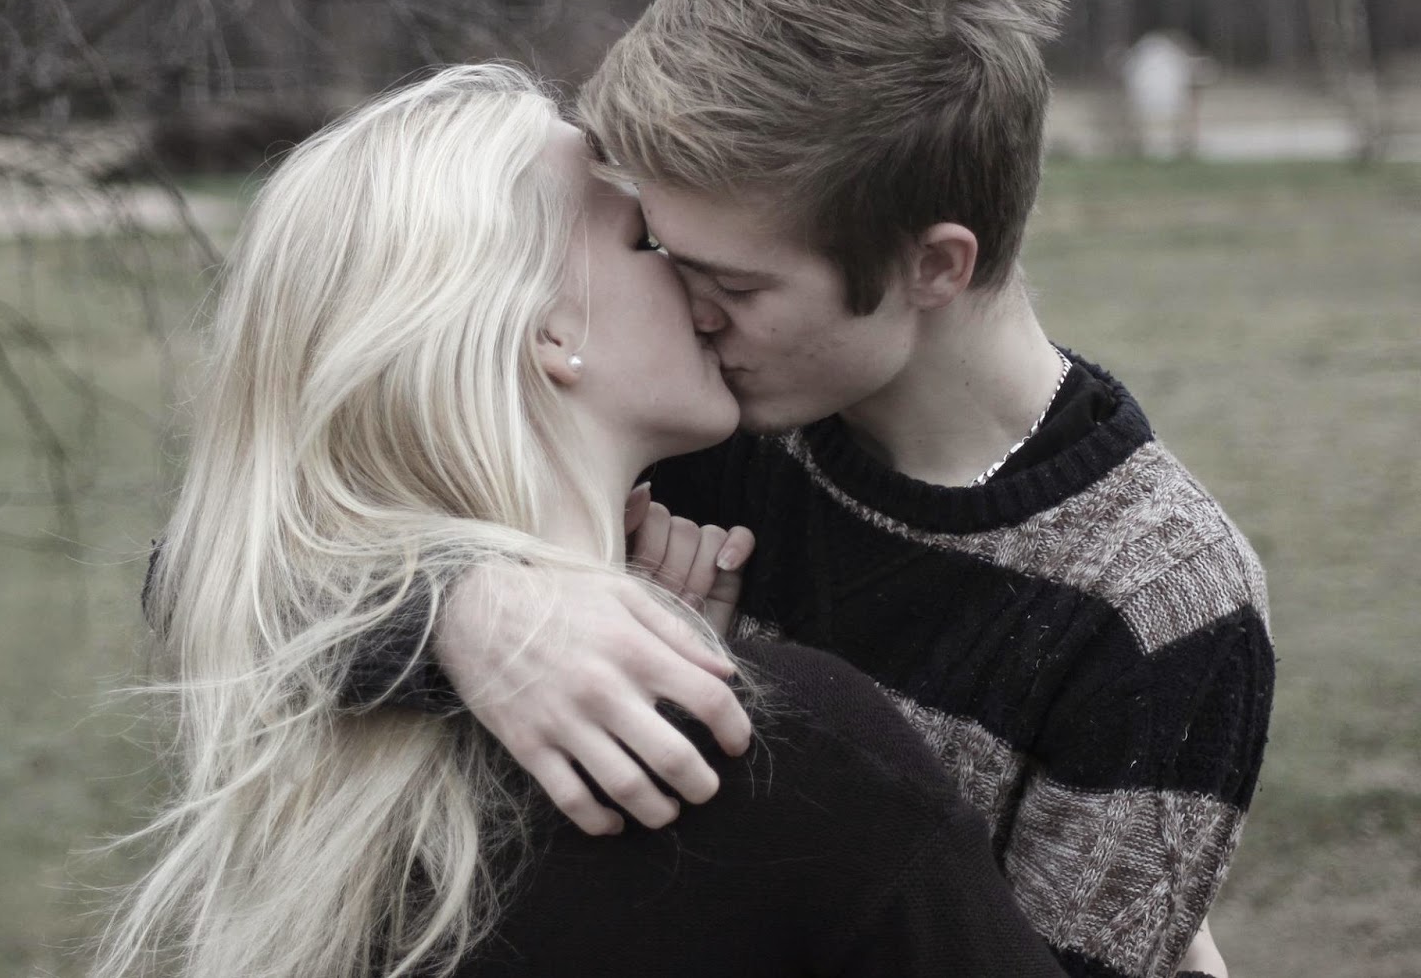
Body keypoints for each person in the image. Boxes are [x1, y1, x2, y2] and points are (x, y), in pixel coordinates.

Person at [347, 0, 1273, 978]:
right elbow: (236, 582)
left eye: (735, 285)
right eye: (661, 247)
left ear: (934, 266)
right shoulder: (684, 415)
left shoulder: (1161, 607)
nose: (687, 312)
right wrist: (466, 613)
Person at [104, 65, 1074, 978]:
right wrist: (466, 610)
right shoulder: (799, 762)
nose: (697, 283)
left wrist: (453, 606)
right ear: (550, 331)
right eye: (643, 241)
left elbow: (216, 568)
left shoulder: (314, 750)